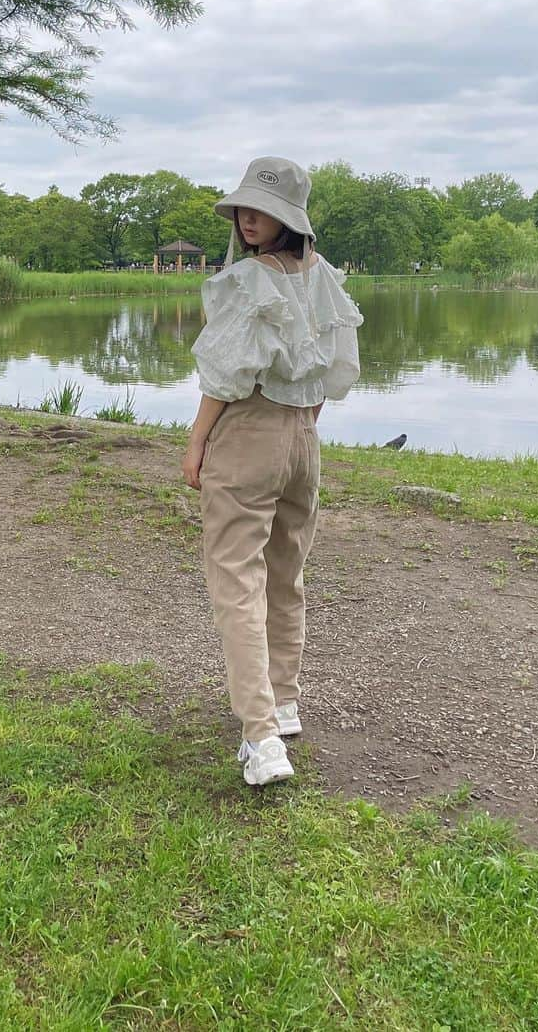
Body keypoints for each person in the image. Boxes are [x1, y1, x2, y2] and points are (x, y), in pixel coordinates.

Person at [183, 157, 363, 787]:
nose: (249, 218)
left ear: (289, 218)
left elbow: (223, 378)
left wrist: (197, 444)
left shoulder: (247, 280)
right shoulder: (328, 280)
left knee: (238, 581)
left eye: (262, 209)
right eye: (244, 209)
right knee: (285, 576)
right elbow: (333, 373)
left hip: (249, 433)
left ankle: (261, 736)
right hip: (303, 441)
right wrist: (302, 425)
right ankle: (282, 704)